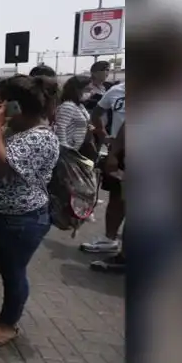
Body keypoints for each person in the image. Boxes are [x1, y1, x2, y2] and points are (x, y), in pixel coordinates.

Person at [0, 74, 60, 346]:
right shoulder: (14, 130)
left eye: (0, 100)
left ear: (16, 106)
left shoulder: (41, 138)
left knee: (13, 272)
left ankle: (8, 324)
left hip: (21, 220)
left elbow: (3, 166)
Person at [81, 79, 126, 254]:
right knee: (117, 198)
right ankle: (109, 239)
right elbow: (97, 113)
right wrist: (105, 135)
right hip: (120, 151)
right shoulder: (116, 91)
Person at [52, 75, 94, 153]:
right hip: (68, 150)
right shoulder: (68, 106)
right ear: (77, 90)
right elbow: (60, 128)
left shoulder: (80, 106)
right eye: (87, 90)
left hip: (76, 149)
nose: (90, 93)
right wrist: (65, 149)